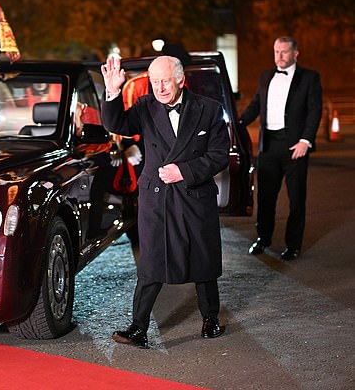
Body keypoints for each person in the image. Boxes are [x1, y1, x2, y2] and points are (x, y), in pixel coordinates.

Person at [101, 55, 229, 348]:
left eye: (165, 81)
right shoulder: (146, 107)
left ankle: (211, 319)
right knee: (152, 261)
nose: (159, 88)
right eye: (154, 82)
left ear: (181, 80)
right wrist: (112, 92)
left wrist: (183, 171)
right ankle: (138, 327)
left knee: (204, 259)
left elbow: (219, 155)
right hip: (156, 198)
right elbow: (116, 123)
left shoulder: (209, 109)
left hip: (195, 195)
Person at [240, 36, 323, 261]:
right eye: (276, 51)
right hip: (268, 147)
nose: (279, 56)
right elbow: (256, 104)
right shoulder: (266, 76)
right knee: (265, 199)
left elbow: (315, 110)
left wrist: (306, 141)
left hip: (295, 146)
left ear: (295, 53)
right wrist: (237, 124)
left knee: (296, 199)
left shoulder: (309, 78)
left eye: (284, 52)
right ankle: (263, 239)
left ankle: (293, 245)